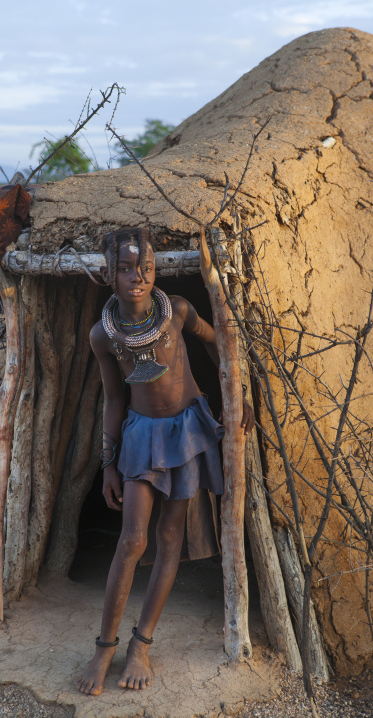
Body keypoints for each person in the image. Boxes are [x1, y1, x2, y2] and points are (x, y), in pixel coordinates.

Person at [77, 227, 255, 696]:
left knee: (170, 537)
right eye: (126, 268)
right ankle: (103, 648)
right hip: (140, 437)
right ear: (107, 274)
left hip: (187, 431)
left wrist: (236, 391)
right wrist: (109, 462)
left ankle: (141, 645)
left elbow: (219, 340)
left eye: (146, 268)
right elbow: (114, 397)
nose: (137, 276)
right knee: (132, 540)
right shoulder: (104, 335)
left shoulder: (175, 310)